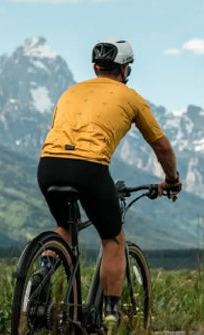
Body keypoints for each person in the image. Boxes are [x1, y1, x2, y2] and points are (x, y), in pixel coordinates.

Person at [35, 38, 182, 319]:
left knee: (65, 226)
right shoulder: (131, 98)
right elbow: (162, 147)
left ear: (95, 68)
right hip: (89, 168)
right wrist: (172, 179)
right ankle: (111, 314)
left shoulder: (70, 92)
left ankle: (43, 270)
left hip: (49, 165)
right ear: (125, 71)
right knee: (113, 239)